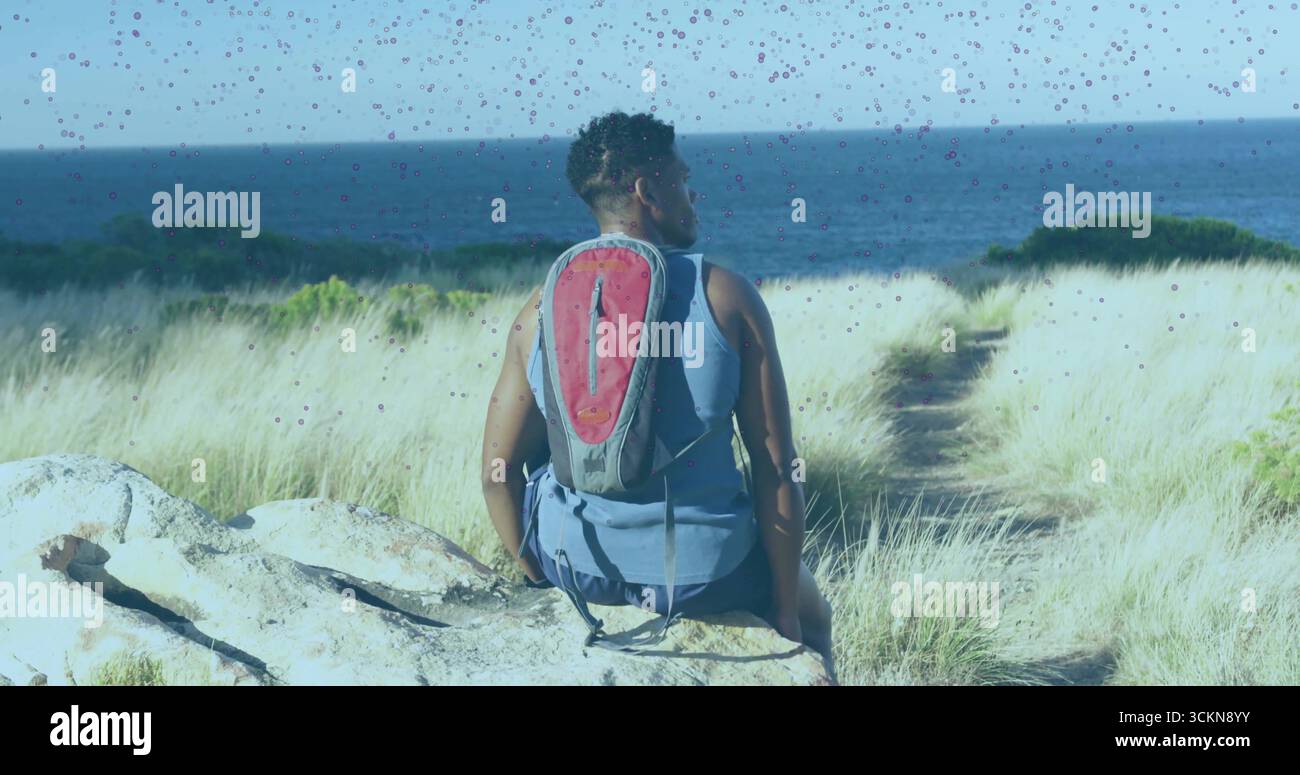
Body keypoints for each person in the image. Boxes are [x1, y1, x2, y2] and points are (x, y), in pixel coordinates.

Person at [480, 110, 833, 668]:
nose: (694, 194)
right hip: (707, 576)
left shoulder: (539, 309)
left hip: (574, 565)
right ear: (647, 190)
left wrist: (538, 581)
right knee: (818, 616)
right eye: (683, 179)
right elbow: (776, 467)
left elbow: (496, 476)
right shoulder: (727, 296)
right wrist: (785, 614)